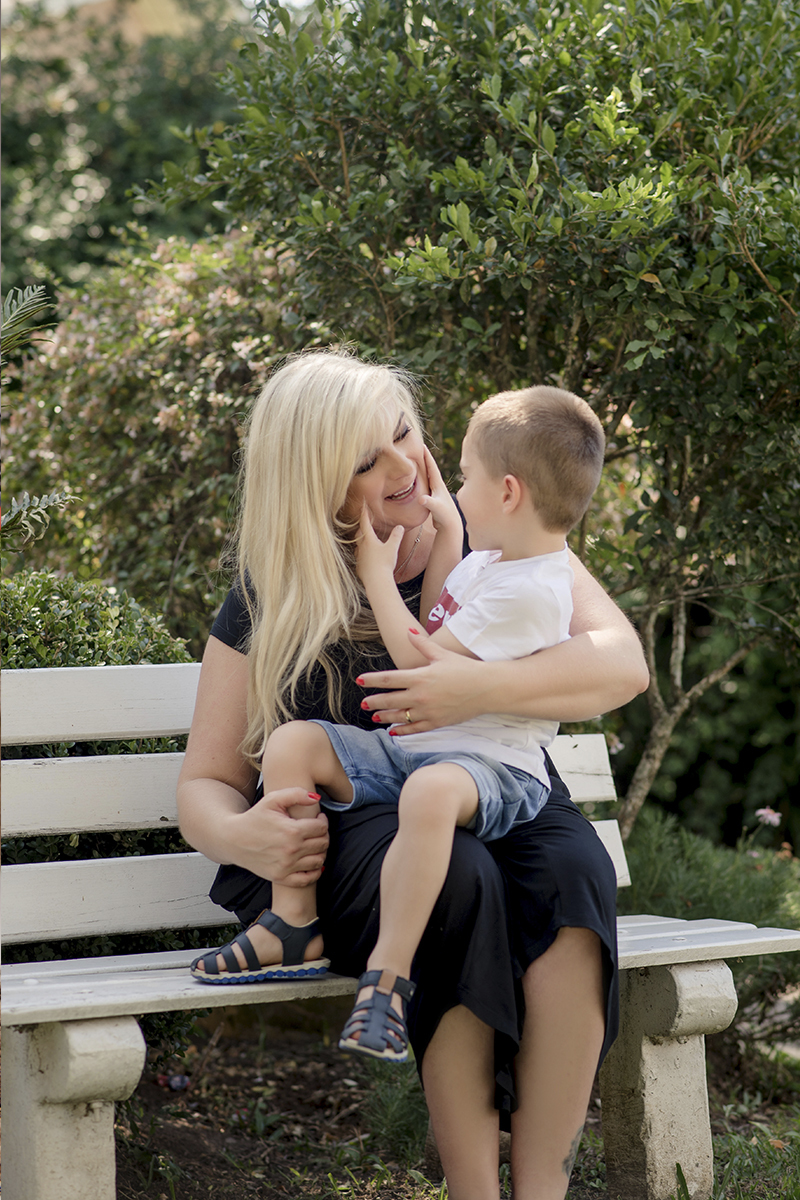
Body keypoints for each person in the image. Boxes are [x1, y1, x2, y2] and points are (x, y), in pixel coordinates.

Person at [176, 350, 648, 1200]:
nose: (401, 469)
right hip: (355, 827)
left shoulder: (495, 540)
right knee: (457, 881)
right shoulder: (272, 588)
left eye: (402, 435)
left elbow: (622, 665)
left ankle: (542, 1187)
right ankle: (472, 1188)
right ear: (314, 482)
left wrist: (474, 686)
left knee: (577, 871)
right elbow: (203, 785)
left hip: (487, 781)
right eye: (365, 461)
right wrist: (242, 834)